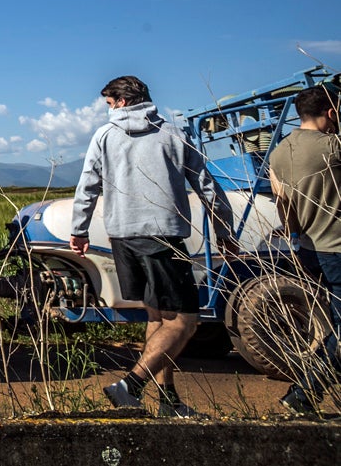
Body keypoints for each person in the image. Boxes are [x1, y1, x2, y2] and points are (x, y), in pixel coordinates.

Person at [70, 75, 238, 418]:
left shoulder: (104, 136)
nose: (108, 111)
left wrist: (80, 229)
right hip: (162, 235)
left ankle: (168, 401)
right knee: (185, 322)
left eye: (109, 104)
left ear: (122, 101)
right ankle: (129, 385)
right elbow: (206, 186)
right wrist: (224, 230)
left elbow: (88, 184)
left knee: (159, 317)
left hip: (123, 237)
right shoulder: (173, 134)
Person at [269, 85, 341, 415]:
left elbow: (284, 206)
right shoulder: (334, 146)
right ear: (331, 112)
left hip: (312, 249)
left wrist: (297, 240)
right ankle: (303, 393)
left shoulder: (279, 152)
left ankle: (304, 393)